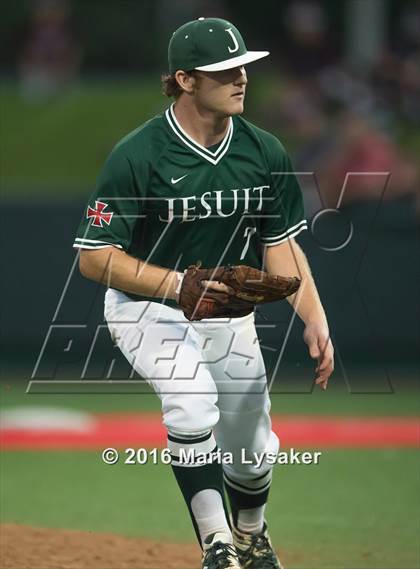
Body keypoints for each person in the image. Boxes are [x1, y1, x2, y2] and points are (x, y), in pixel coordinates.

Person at [73, 17, 334, 569]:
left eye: (243, 66)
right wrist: (175, 284)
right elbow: (94, 257)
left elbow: (280, 249)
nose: (241, 78)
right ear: (186, 80)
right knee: (190, 403)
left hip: (226, 313)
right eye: (224, 70)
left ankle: (251, 533)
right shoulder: (137, 155)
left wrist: (313, 315)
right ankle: (217, 545)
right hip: (148, 308)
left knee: (253, 449)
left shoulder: (264, 151)